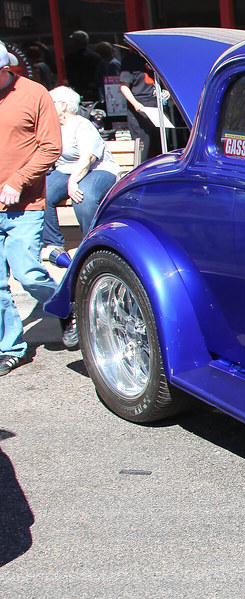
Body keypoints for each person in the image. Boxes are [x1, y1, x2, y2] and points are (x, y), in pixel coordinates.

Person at [0, 43, 76, 378]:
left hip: (25, 203)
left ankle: (68, 306)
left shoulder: (33, 94)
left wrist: (19, 179)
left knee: (28, 272)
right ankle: (11, 348)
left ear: (5, 69)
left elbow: (51, 147)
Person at [41, 86, 120, 253]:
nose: (45, 106)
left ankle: (92, 244)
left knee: (83, 196)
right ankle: (54, 244)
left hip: (98, 168)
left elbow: (88, 157)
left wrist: (72, 182)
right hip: (66, 170)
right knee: (42, 192)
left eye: (49, 102)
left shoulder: (82, 125)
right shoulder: (51, 126)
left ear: (63, 105)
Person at [119, 48, 162, 160]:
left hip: (158, 105)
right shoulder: (130, 60)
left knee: (161, 145)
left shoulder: (156, 57)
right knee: (143, 146)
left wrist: (166, 92)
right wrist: (135, 104)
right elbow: (124, 86)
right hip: (140, 107)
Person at [64, 30, 100, 103]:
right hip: (93, 91)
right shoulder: (95, 57)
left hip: (76, 90)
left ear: (76, 42)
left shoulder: (70, 57)